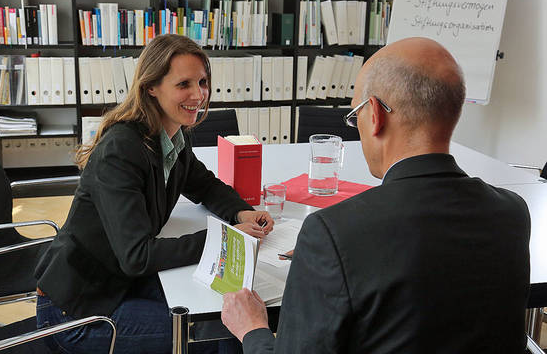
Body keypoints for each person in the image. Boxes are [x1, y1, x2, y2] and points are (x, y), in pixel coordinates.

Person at [221, 37, 531, 353]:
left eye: (355, 114)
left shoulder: (333, 233)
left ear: (375, 115)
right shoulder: (512, 213)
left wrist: (254, 330)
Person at [34, 34, 274, 354]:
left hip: (118, 282)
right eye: (183, 84)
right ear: (151, 87)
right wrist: (225, 238)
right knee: (219, 331)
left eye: (202, 81)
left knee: (227, 307)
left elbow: (203, 184)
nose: (198, 94)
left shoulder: (170, 136)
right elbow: (138, 256)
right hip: (78, 312)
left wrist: (241, 212)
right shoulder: (121, 149)